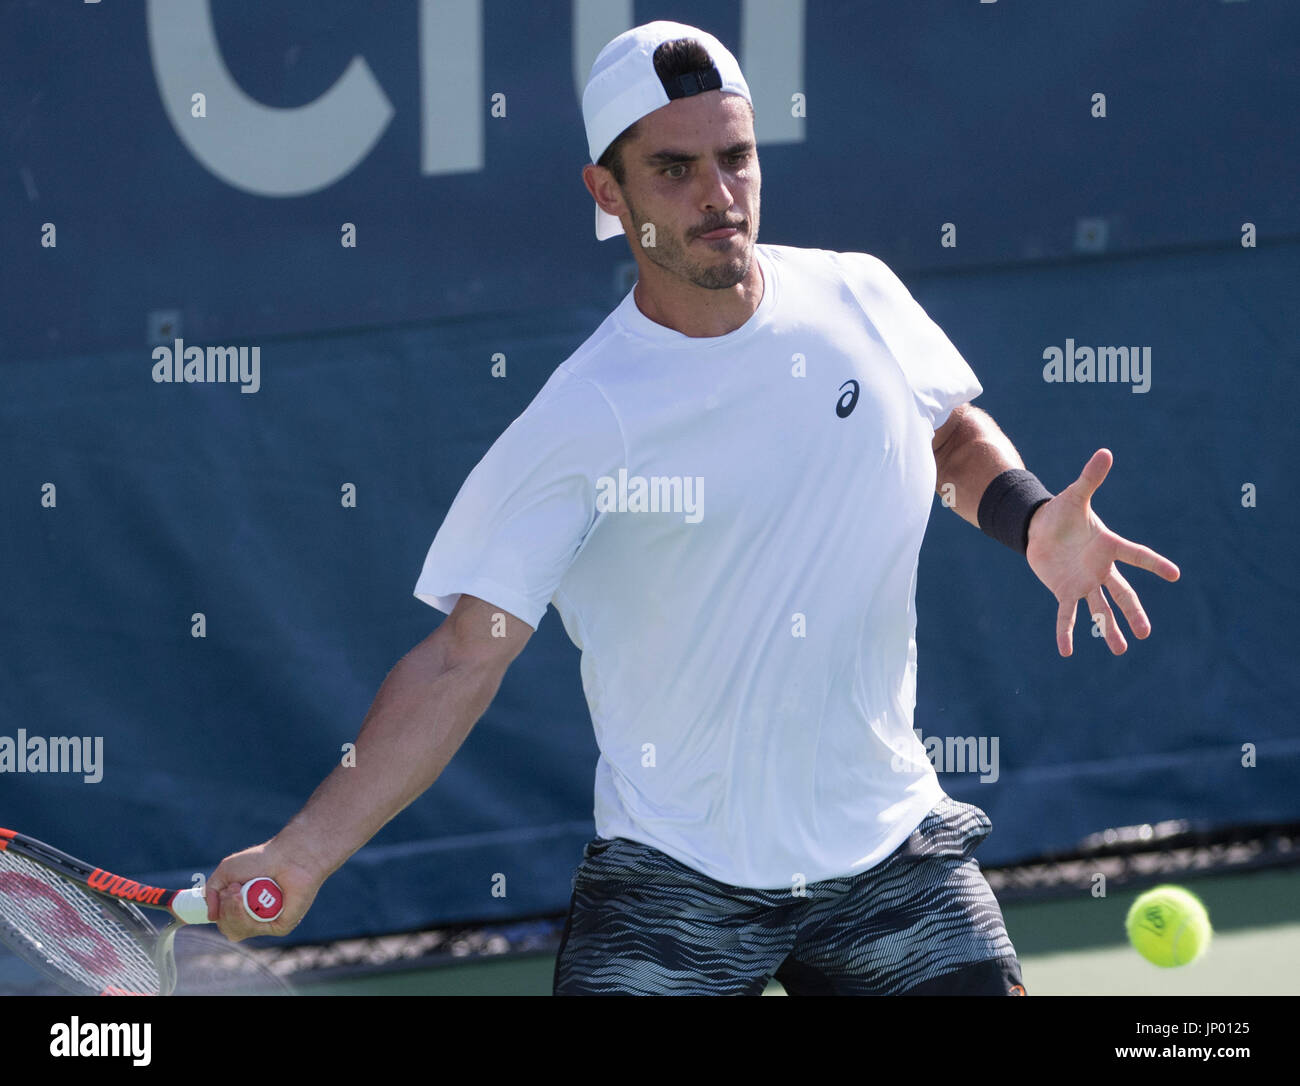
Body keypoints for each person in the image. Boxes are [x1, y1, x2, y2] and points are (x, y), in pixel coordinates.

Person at [207, 21, 1180, 995]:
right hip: (673, 882)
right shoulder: (582, 419)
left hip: (888, 854)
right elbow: (465, 654)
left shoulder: (859, 297)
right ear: (606, 190)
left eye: (736, 157)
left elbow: (945, 436)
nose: (718, 195)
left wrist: (1029, 518)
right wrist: (301, 853)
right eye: (674, 168)